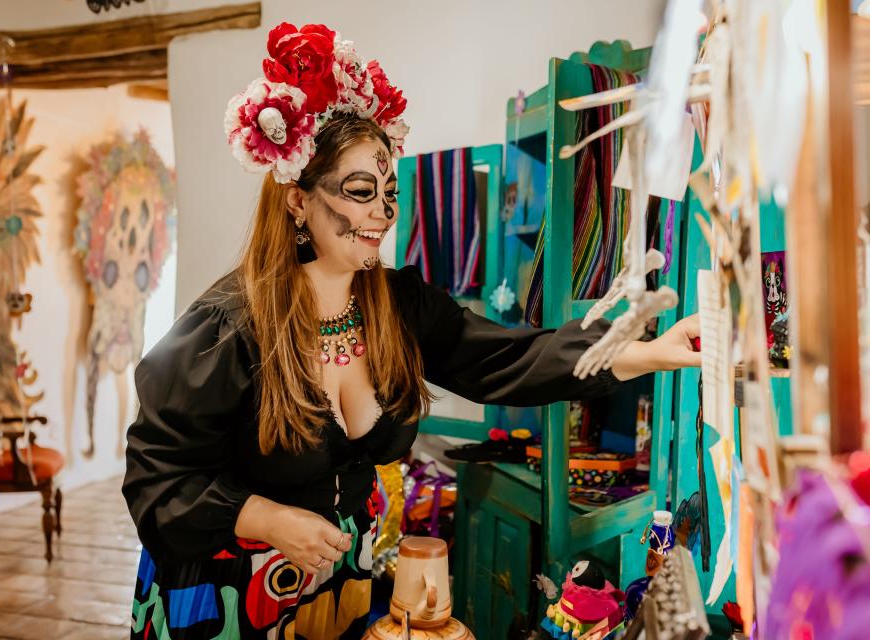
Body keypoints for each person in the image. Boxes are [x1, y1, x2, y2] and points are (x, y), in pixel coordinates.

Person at [123, 21, 701, 640]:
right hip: (227, 597)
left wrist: (639, 353)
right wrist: (265, 518)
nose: (382, 212)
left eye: (389, 192)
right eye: (360, 190)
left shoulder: (396, 305)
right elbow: (157, 481)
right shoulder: (226, 329)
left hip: (345, 588)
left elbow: (506, 357)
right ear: (297, 200)